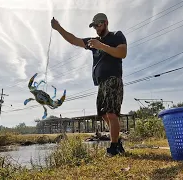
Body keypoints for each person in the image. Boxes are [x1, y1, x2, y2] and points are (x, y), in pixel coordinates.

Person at [51, 13, 127, 156]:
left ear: (105, 22)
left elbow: (122, 53)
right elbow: (74, 40)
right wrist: (58, 28)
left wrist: (101, 46)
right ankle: (117, 141)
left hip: (113, 79)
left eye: (98, 25)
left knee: (111, 113)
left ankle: (114, 146)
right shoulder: (93, 42)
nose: (96, 28)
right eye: (94, 26)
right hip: (101, 83)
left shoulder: (117, 35)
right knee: (104, 114)